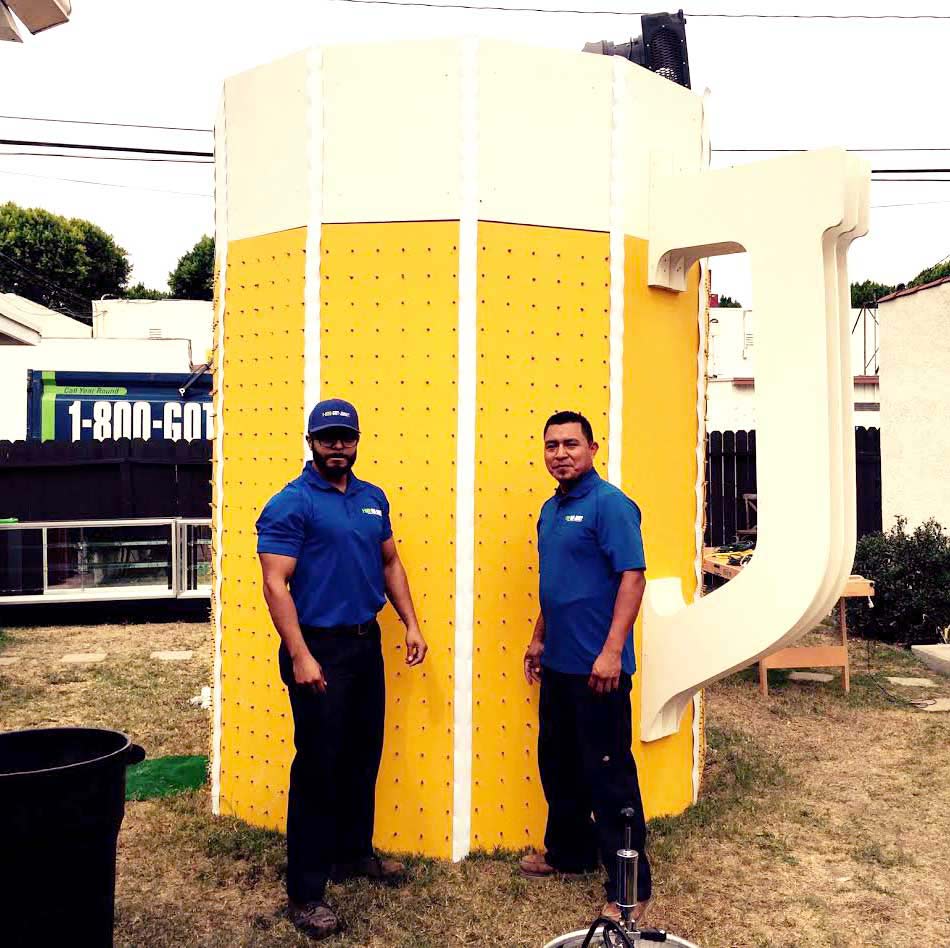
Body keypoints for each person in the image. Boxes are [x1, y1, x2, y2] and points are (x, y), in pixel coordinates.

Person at [256, 397, 427, 940]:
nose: (337, 446)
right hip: (318, 650)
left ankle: (352, 855)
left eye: (345, 437)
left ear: (357, 440)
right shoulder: (291, 503)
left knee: (360, 755)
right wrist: (301, 654)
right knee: (317, 769)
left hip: (364, 644)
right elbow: (274, 582)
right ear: (311, 441)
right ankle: (306, 892)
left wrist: (411, 624)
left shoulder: (373, 498)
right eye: (327, 437)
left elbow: (390, 562)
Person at [520, 410, 652, 923]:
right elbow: (558, 585)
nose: (561, 453)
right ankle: (570, 854)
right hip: (558, 666)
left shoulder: (610, 505)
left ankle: (631, 887)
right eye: (552, 445)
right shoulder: (551, 511)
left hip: (601, 669)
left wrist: (612, 650)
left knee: (610, 778)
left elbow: (633, 579)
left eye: (570, 444)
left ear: (592, 448)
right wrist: (538, 638)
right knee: (559, 767)